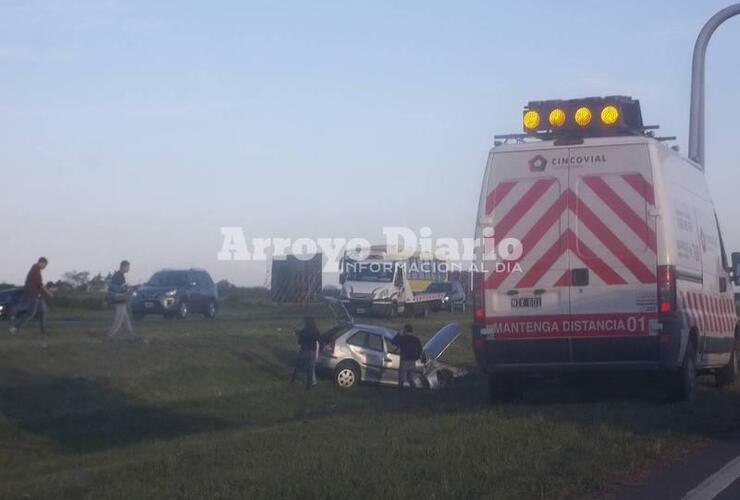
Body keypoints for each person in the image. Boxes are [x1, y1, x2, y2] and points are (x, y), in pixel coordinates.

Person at [9, 257, 53, 335]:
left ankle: (43, 332)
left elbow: (38, 285)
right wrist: (48, 292)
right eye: (45, 265)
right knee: (30, 313)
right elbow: (39, 284)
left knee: (43, 312)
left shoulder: (36, 270)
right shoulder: (35, 270)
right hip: (33, 295)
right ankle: (15, 327)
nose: (44, 267)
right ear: (41, 262)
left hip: (38, 296)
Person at [291, 316, 322, 390]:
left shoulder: (304, 331)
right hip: (312, 352)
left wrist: (298, 334)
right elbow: (320, 341)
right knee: (310, 369)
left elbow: (300, 342)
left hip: (304, 351)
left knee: (298, 367)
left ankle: (293, 380)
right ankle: (309, 386)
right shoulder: (316, 331)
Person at [107, 260, 135, 338]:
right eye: (128, 267)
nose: (129, 269)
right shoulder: (118, 276)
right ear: (124, 266)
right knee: (118, 320)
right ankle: (110, 335)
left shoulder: (119, 275)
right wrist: (128, 290)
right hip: (119, 301)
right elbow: (117, 289)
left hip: (121, 300)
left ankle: (131, 335)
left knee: (126, 320)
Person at [391, 324, 423, 389]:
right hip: (412, 360)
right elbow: (420, 349)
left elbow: (393, 342)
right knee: (410, 378)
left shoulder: (403, 338)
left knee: (402, 378)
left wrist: (399, 334)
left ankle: (400, 392)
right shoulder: (416, 339)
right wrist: (417, 357)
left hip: (404, 360)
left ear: (405, 330)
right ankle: (413, 391)